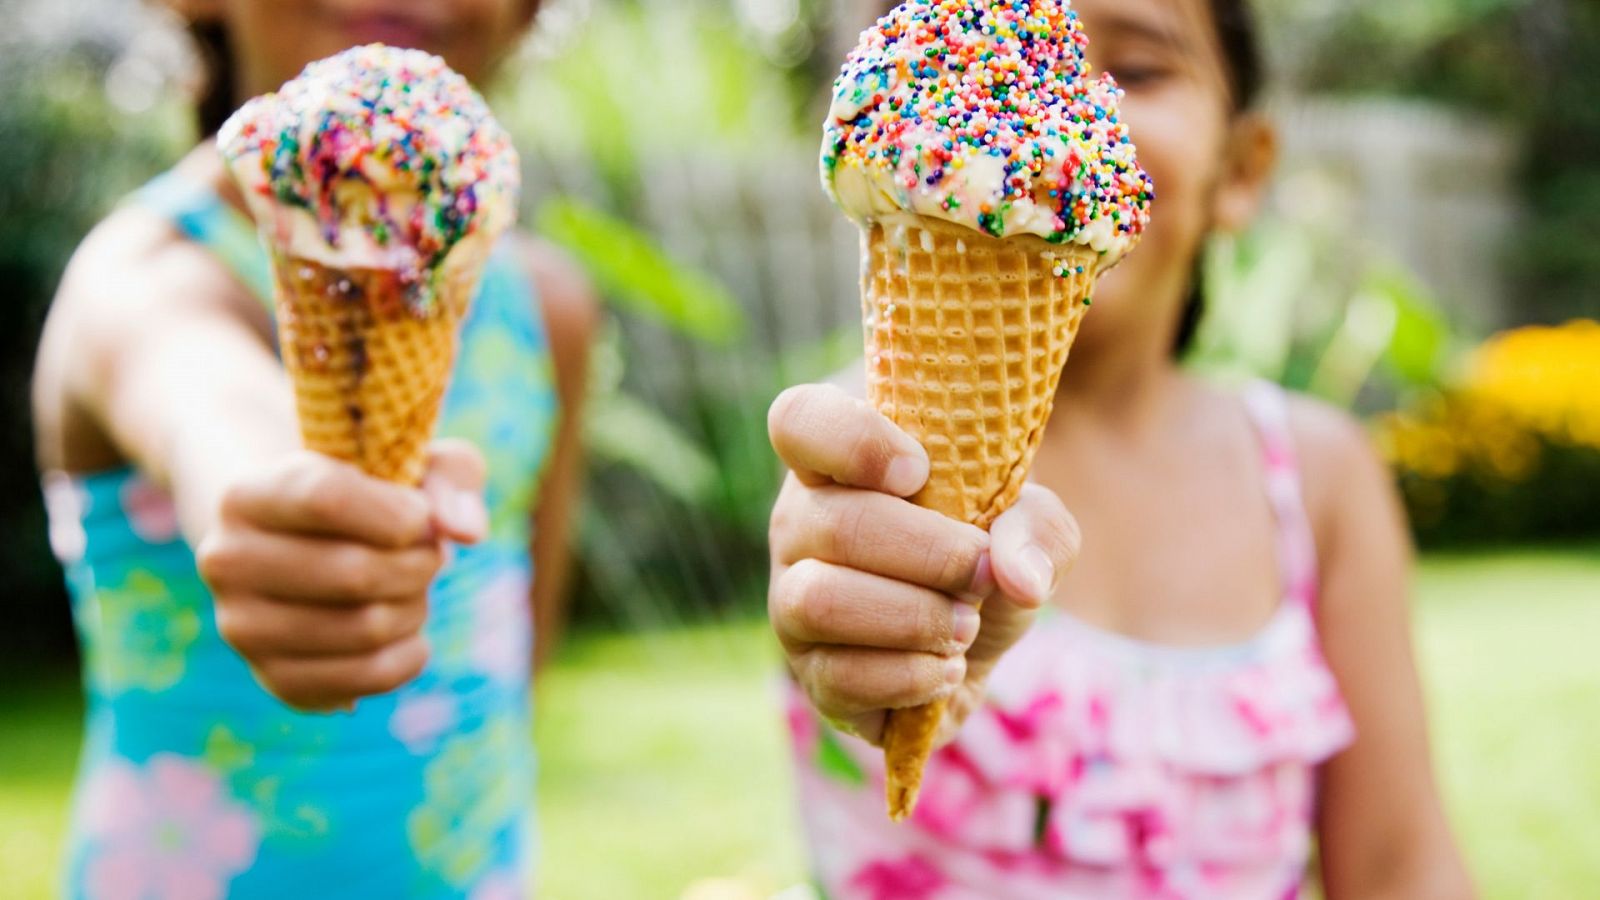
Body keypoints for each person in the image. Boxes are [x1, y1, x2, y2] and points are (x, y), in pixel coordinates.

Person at [768, 0, 1474, 896]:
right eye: (985, 48)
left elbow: (1401, 867)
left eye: (1136, 70)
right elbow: (815, 557)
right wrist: (837, 596)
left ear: (1240, 170)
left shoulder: (1315, 479)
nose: (1052, 103)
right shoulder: (849, 452)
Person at [33, 1, 596, 896]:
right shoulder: (139, 279)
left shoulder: (547, 308)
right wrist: (280, 516)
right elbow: (210, 408)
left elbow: (521, 638)